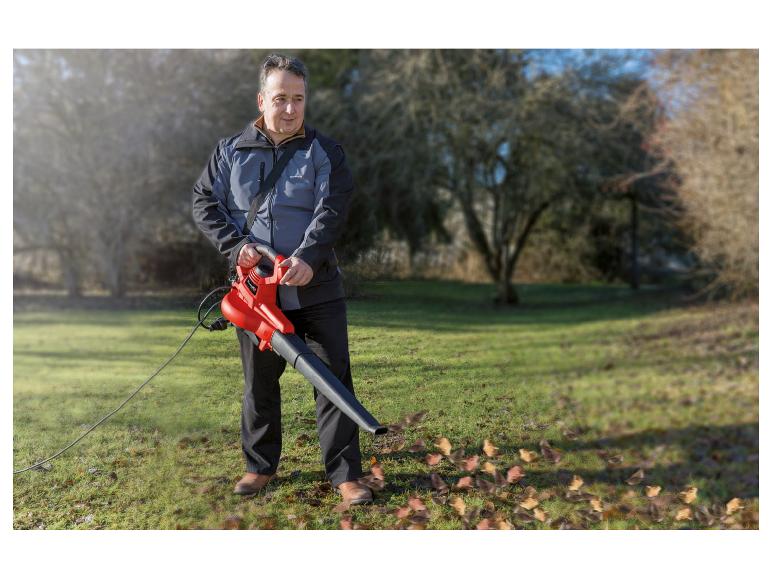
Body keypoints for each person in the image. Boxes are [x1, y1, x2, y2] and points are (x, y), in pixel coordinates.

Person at [191, 53, 372, 505]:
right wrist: (236, 248)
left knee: (332, 380)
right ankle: (259, 467)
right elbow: (203, 203)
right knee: (259, 384)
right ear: (261, 99)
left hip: (316, 287)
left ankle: (346, 475)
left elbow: (332, 208)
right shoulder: (228, 151)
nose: (290, 109)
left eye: (298, 99)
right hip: (255, 296)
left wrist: (309, 257)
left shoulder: (324, 151)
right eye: (280, 99)